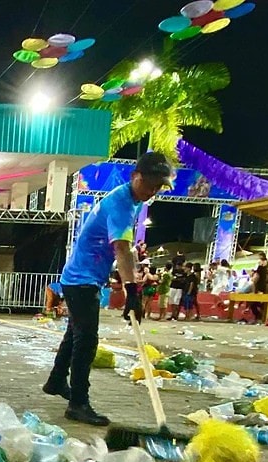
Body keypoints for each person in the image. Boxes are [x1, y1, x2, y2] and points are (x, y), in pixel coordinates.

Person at [44, 152, 173, 426]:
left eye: (157, 187)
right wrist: (132, 292)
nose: (152, 191)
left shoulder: (131, 200)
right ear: (135, 176)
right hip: (82, 280)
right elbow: (122, 250)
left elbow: (125, 251)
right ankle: (78, 403)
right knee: (86, 341)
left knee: (74, 334)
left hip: (81, 276)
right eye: (149, 184)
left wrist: (131, 288)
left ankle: (56, 381)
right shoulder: (121, 205)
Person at [249, 252, 268, 323]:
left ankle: (259, 315)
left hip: (260, 287)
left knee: (256, 303)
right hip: (260, 286)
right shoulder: (263, 270)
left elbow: (257, 277)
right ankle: (259, 315)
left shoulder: (262, 269)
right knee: (255, 303)